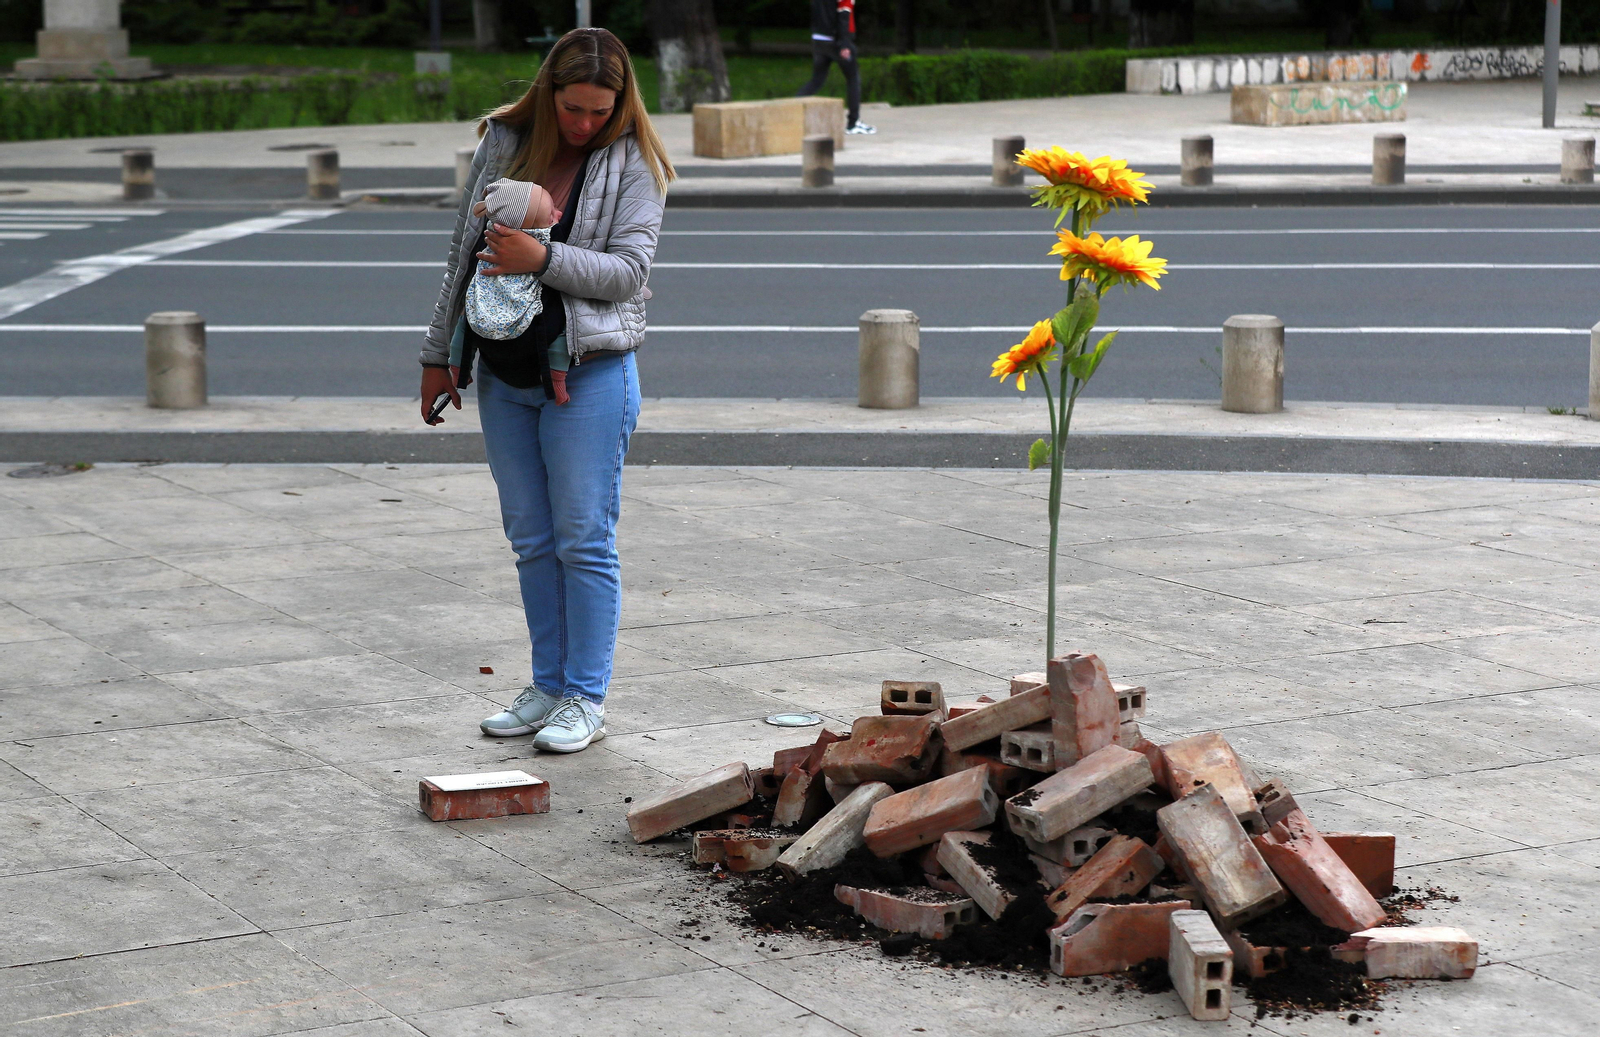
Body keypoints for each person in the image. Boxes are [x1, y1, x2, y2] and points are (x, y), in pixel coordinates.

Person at [419, 27, 674, 753]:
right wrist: (438, 356)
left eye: (599, 111)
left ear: (622, 104)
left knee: (583, 540)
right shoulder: (504, 140)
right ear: (548, 92)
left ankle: (585, 698)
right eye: (572, 109)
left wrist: (544, 256)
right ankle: (547, 684)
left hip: (591, 374)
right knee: (531, 538)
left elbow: (628, 273)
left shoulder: (638, 161)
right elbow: (461, 254)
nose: (584, 124)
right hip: (505, 367)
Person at [798, 0, 875, 135]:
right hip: (836, 40)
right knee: (853, 78)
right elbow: (844, 16)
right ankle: (853, 122)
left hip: (818, 38)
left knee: (816, 80)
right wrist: (845, 43)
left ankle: (789, 108)